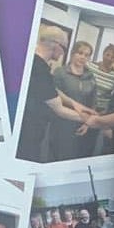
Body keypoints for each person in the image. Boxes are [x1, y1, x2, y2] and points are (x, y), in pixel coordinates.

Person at [20, 25, 69, 161]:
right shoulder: (40, 69)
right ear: (57, 45)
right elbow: (59, 109)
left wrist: (77, 105)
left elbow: (51, 89)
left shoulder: (32, 61)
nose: (63, 53)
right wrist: (89, 119)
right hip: (29, 134)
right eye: (64, 48)